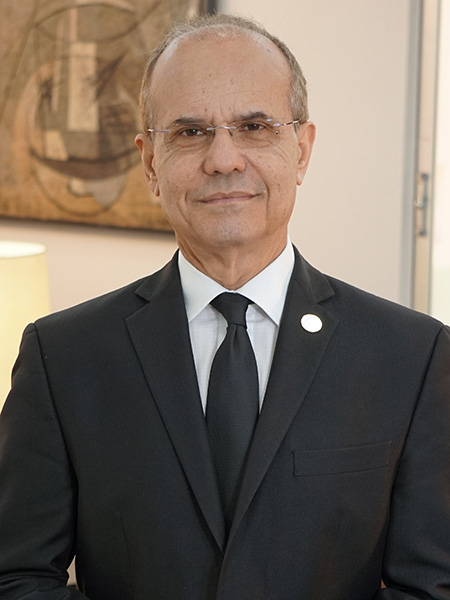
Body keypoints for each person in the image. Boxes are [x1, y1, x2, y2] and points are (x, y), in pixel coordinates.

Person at [0, 13, 449, 600]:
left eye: (254, 126)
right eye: (190, 132)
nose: (224, 159)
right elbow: (16, 576)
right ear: (150, 162)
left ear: (302, 150)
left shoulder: (412, 356)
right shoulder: (63, 357)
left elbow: (431, 587)